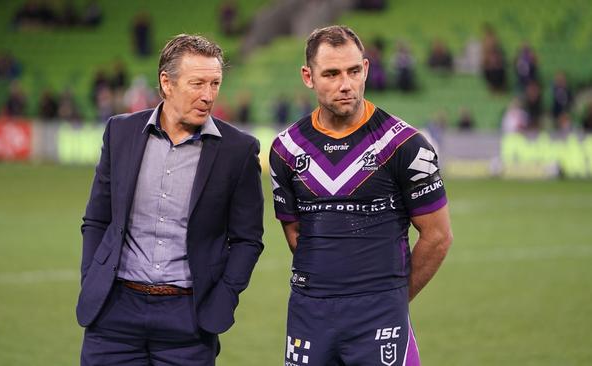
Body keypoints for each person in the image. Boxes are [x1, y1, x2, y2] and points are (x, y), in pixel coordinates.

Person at [269, 25, 453, 366]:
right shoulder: (285, 149)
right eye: (332, 73)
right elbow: (296, 235)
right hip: (309, 313)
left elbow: (438, 236)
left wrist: (391, 297)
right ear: (308, 77)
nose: (346, 84)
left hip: (380, 314)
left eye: (354, 71)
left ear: (366, 69)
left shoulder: (405, 145)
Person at [77, 34, 264, 365]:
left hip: (189, 319)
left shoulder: (239, 150)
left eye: (215, 83)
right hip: (114, 313)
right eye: (197, 84)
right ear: (167, 83)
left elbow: (248, 239)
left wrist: (224, 298)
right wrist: (92, 277)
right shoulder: (120, 132)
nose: (208, 96)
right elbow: (97, 219)